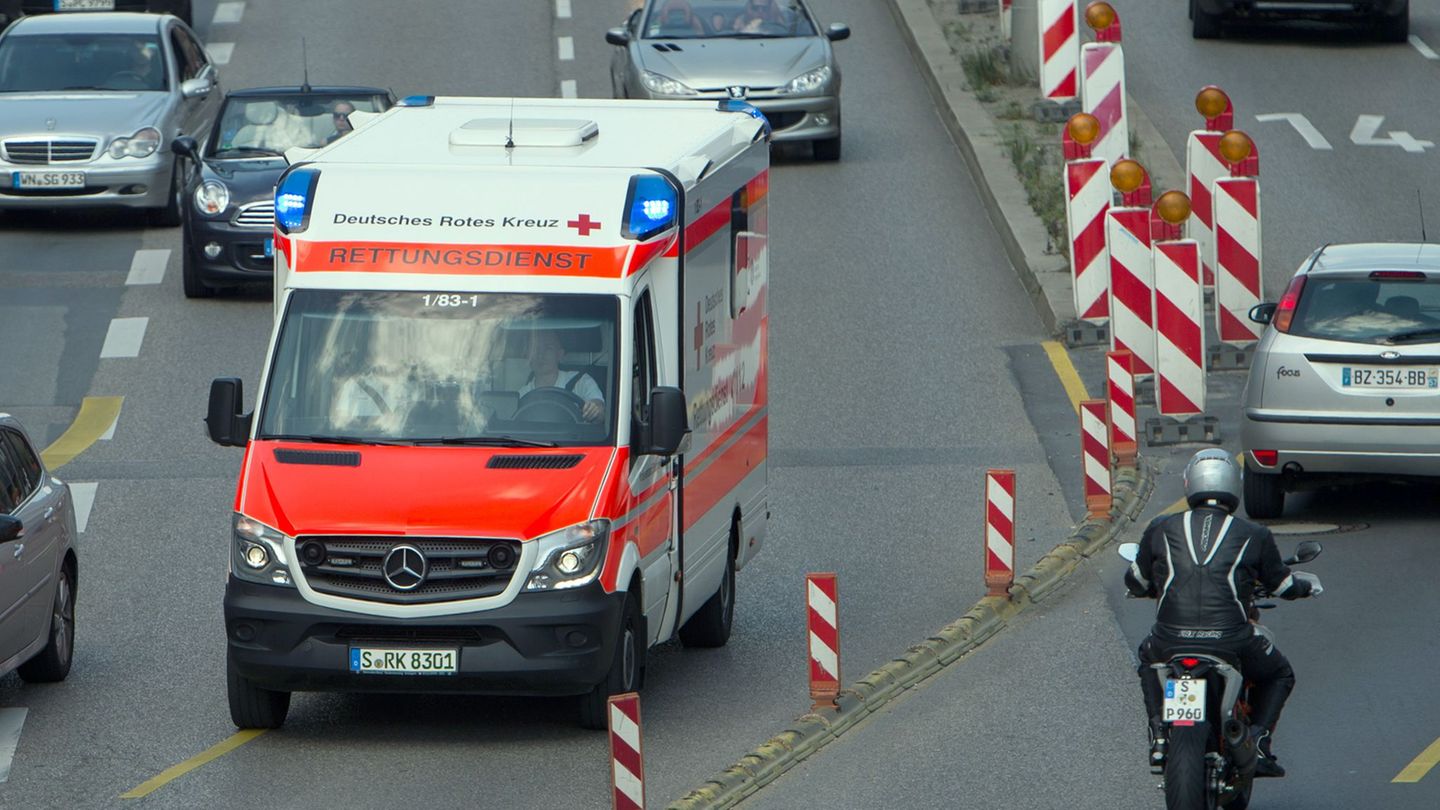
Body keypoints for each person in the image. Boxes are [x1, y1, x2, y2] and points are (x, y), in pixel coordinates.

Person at [1124, 449, 1322, 778]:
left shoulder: (1160, 528)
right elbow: (1283, 585)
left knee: (1148, 657)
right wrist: (1304, 587)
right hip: (1230, 640)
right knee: (1279, 674)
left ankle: (1159, 731)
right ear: (1235, 486)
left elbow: (1135, 580)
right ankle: (1259, 743)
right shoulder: (1254, 534)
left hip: (1169, 640)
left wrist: (1151, 585)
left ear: (1190, 484)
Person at [519, 330, 604, 422]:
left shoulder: (581, 381)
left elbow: (601, 412)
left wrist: (594, 409)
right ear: (529, 356)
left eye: (548, 348)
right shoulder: (522, 395)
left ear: (560, 354)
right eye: (535, 349)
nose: (540, 354)